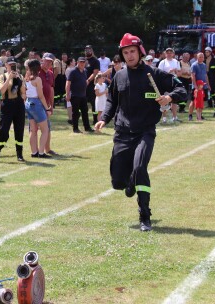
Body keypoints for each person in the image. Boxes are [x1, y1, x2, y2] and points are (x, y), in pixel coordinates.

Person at [95, 33, 187, 231]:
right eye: (125, 52)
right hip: (122, 132)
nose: (129, 56)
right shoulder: (118, 75)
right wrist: (104, 119)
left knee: (140, 168)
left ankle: (145, 215)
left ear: (140, 52)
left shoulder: (154, 73)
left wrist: (168, 98)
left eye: (132, 52)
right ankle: (129, 181)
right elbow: (112, 101)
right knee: (118, 182)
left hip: (145, 131)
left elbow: (182, 89)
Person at [0, 56, 26, 163]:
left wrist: (19, 82)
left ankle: (19, 154)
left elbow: (24, 92)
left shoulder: (20, 76)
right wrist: (10, 78)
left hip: (19, 104)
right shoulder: (2, 76)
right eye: (10, 65)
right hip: (7, 104)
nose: (12, 66)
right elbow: (1, 91)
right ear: (6, 65)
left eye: (13, 65)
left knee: (19, 129)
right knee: (3, 130)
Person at [24, 59, 50, 158]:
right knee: (45, 130)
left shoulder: (26, 77)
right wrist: (47, 108)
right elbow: (41, 95)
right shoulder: (37, 79)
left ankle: (34, 152)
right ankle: (41, 153)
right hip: (36, 103)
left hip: (28, 103)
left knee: (33, 130)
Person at [65, 57, 92, 133]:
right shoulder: (73, 71)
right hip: (75, 95)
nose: (82, 63)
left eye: (83, 62)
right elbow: (68, 83)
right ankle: (75, 128)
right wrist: (67, 94)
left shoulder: (85, 71)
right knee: (75, 113)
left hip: (83, 95)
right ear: (77, 62)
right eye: (81, 62)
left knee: (85, 112)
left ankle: (87, 127)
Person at [158, 48, 182, 123]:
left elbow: (179, 73)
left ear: (173, 54)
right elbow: (159, 73)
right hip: (165, 82)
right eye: (167, 53)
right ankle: (164, 118)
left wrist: (175, 71)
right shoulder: (163, 62)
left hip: (174, 82)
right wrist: (169, 72)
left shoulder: (176, 62)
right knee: (164, 100)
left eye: (170, 53)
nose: (169, 54)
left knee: (174, 100)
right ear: (165, 54)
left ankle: (175, 117)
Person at [40, 53, 56, 154]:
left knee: (47, 128)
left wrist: (51, 105)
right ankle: (36, 151)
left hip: (46, 104)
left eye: (50, 61)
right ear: (42, 60)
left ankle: (48, 149)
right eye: (47, 60)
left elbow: (51, 89)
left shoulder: (50, 73)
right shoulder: (36, 71)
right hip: (37, 104)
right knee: (33, 129)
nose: (48, 63)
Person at [189, 52, 208, 121]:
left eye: (202, 57)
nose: (201, 58)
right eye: (200, 57)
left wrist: (208, 85)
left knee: (201, 101)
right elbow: (192, 76)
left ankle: (199, 115)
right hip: (196, 87)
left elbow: (205, 75)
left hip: (203, 86)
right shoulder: (194, 65)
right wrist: (195, 86)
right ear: (197, 57)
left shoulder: (204, 65)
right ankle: (190, 115)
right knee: (193, 101)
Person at [84, 45, 100, 125]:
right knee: (82, 103)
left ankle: (95, 120)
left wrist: (88, 80)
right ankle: (82, 119)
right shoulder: (83, 60)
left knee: (94, 103)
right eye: (86, 49)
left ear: (92, 50)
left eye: (89, 49)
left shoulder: (95, 61)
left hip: (91, 85)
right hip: (83, 86)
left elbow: (95, 72)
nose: (87, 51)